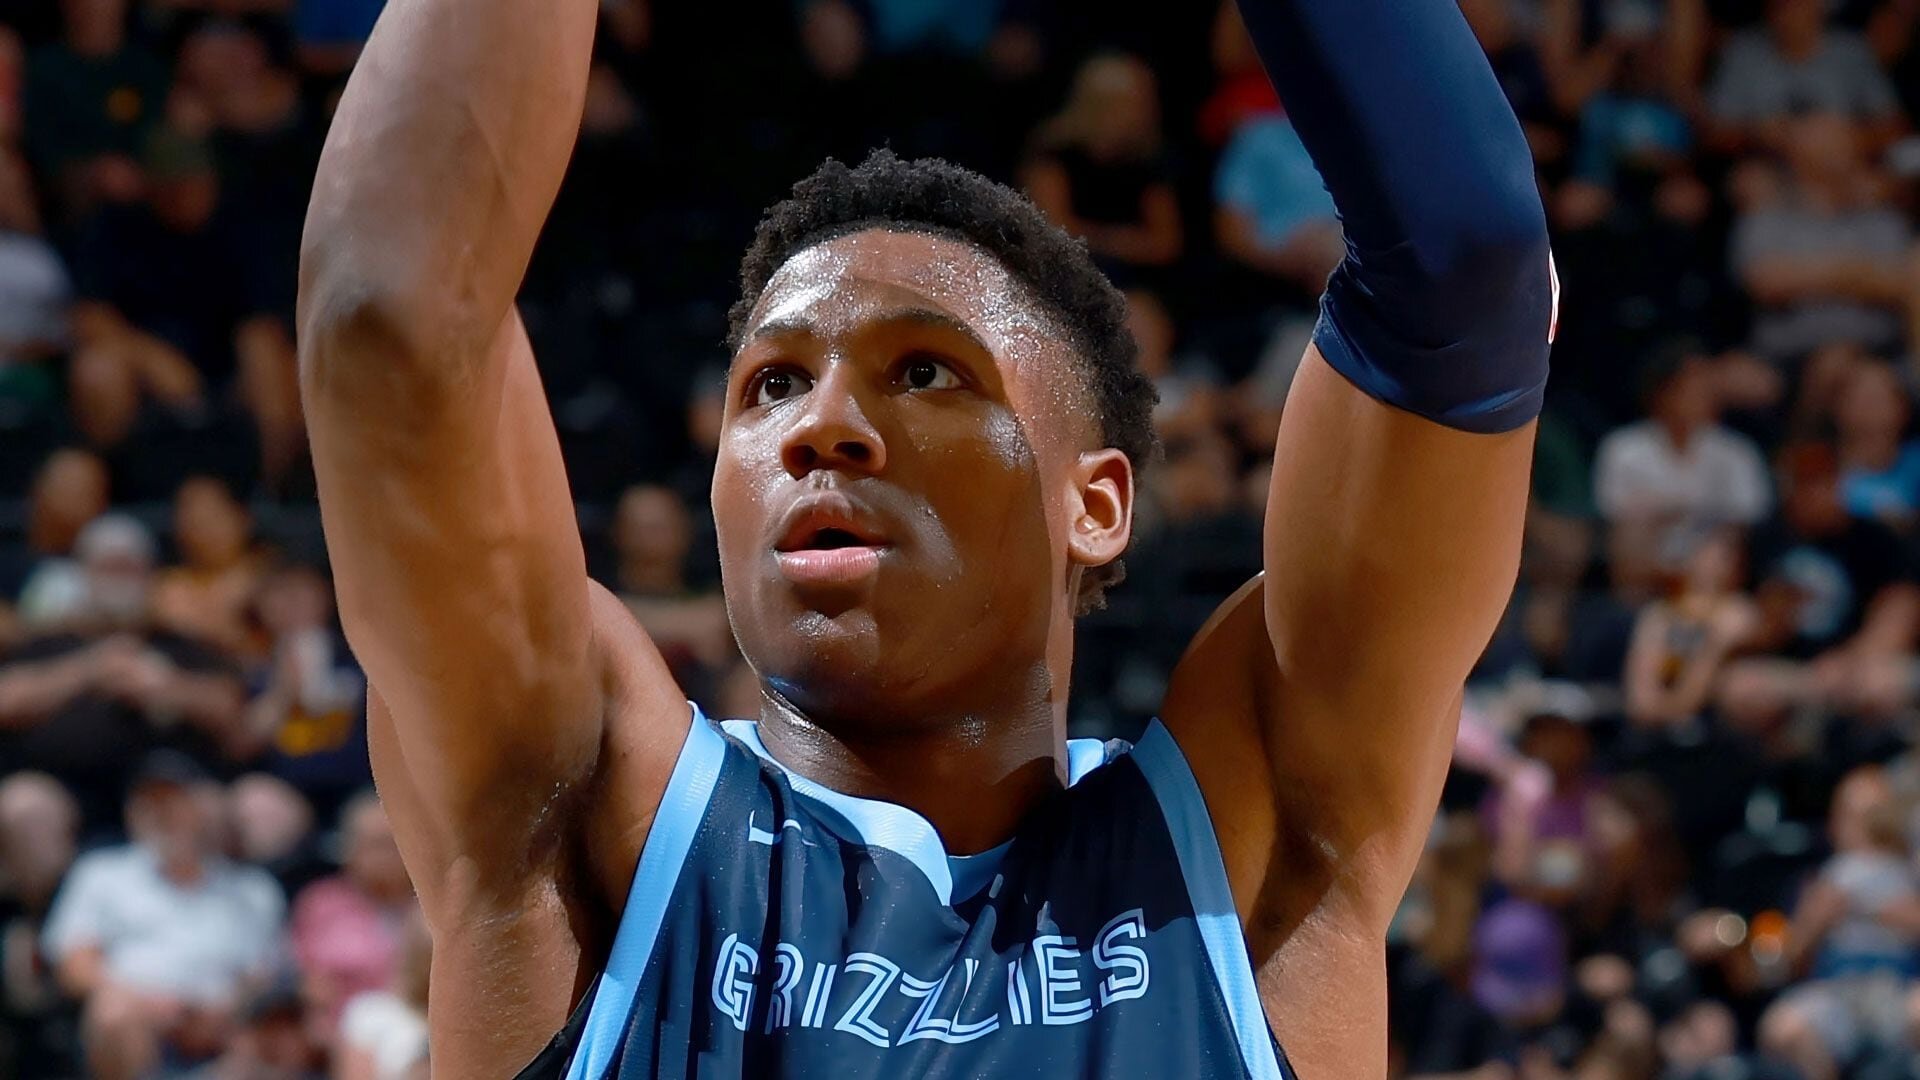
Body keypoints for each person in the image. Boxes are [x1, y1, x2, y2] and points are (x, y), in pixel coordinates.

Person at [297, 0, 1553, 1076]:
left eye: (926, 373)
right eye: (770, 387)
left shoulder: (1249, 838)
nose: (821, 427)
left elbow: (1465, 270)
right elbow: (390, 320)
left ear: (1097, 503)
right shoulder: (586, 813)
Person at [41, 750, 287, 1080]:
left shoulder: (253, 889)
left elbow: (264, 975)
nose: (162, 814)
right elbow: (74, 965)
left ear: (206, 806)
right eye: (149, 803)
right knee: (112, 1012)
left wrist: (222, 1014)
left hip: (223, 1029)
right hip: (137, 1020)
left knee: (276, 1035)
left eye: (175, 801)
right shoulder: (101, 873)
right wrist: (150, 1004)